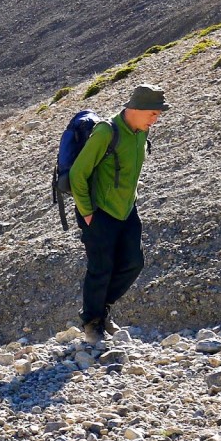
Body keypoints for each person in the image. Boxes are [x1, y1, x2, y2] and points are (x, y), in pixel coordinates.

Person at [70, 83, 168, 344]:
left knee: (133, 262)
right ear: (135, 109)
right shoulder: (106, 132)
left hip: (127, 210)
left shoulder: (140, 132)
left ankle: (101, 310)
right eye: (153, 113)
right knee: (101, 268)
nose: (156, 119)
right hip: (99, 211)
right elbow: (77, 174)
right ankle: (92, 322)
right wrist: (87, 212)